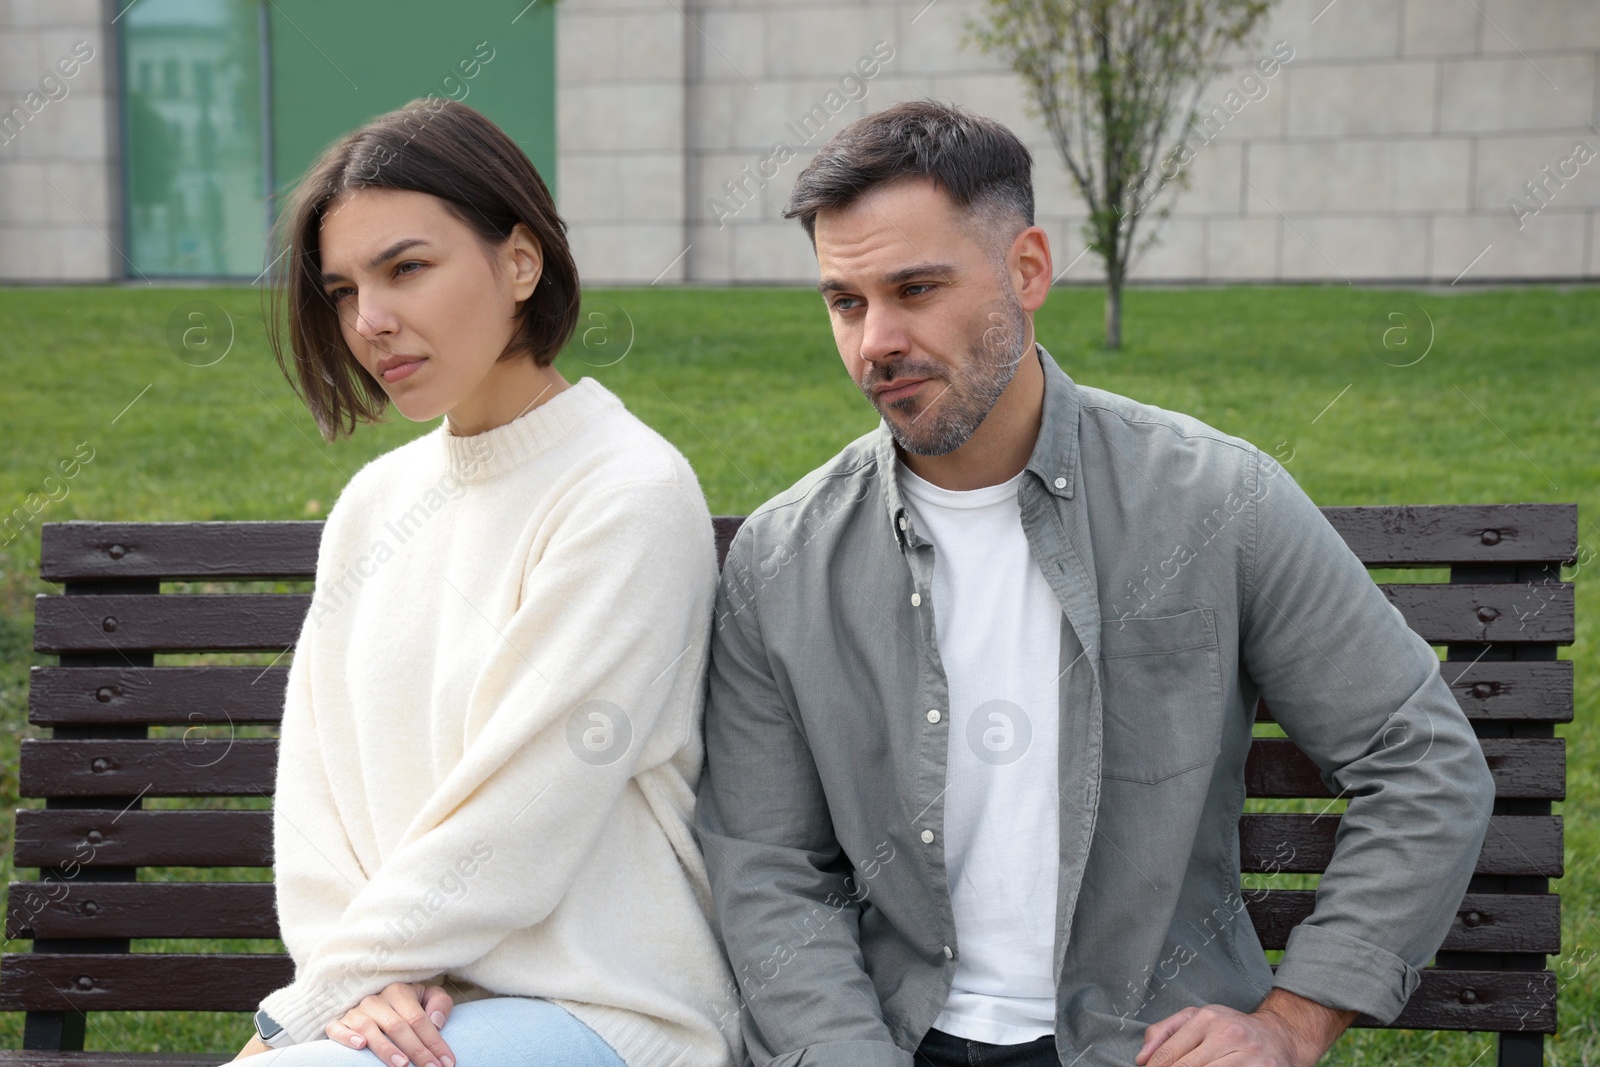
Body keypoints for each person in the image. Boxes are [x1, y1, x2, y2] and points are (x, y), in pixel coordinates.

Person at [695, 100, 1496, 1067]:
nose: (875, 343)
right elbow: (770, 867)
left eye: (915, 288)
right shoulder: (785, 560)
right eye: (846, 301)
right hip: (893, 1040)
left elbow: (1421, 761)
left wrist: (1294, 1020)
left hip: (1143, 1043)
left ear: (1027, 270)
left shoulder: (1213, 499)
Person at [233, 98, 742, 1067]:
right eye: (342, 290)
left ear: (520, 261)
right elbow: (316, 798)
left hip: (604, 1004)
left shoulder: (624, 489)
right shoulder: (376, 503)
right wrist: (358, 983)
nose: (371, 321)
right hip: (399, 1010)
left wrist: (307, 1011)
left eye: (407, 268)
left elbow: (525, 811)